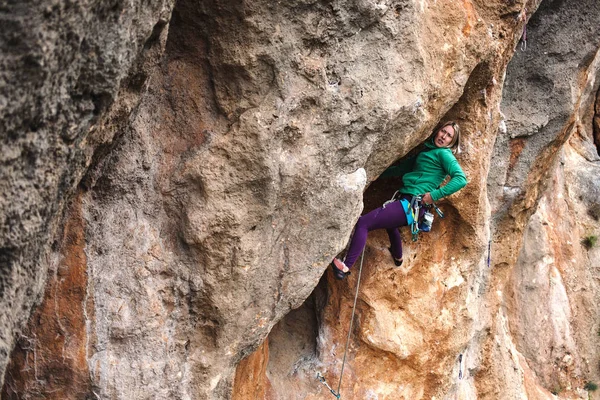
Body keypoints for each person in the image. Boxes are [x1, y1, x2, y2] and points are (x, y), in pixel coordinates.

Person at [331, 121, 467, 280]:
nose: (443, 136)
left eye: (449, 135)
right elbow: (402, 168)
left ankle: (345, 267)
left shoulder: (444, 154)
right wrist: (375, 172)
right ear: (437, 131)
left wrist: (434, 195)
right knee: (391, 225)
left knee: (363, 223)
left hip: (412, 204)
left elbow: (461, 179)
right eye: (443, 131)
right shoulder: (427, 152)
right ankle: (398, 257)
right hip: (408, 201)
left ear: (452, 142)